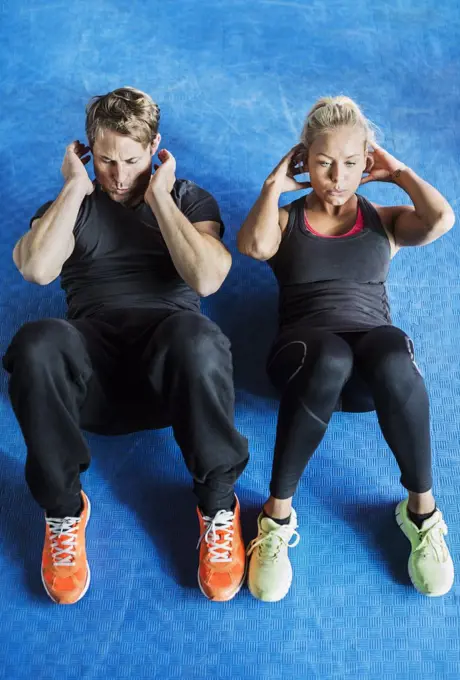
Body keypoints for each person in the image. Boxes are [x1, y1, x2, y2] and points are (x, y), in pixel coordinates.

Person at [3, 86, 248, 605]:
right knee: (35, 341)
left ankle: (218, 504)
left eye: (132, 161)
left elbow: (206, 280)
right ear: (88, 151)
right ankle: (64, 511)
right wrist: (73, 188)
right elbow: (36, 268)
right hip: (91, 383)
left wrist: (158, 196)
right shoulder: (69, 206)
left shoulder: (188, 200)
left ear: (155, 147)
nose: (117, 175)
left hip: (172, 376)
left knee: (198, 335)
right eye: (106, 160)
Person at [238, 95, 455, 601]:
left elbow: (441, 219)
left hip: (367, 380)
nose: (337, 176)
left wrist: (398, 172)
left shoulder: (384, 219)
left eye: (352, 163)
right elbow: (252, 245)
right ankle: (276, 517)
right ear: (303, 160)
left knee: (393, 352)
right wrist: (273, 185)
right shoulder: (287, 220)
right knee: (332, 355)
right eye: (323, 162)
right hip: (303, 363)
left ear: (368, 163)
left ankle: (421, 512)